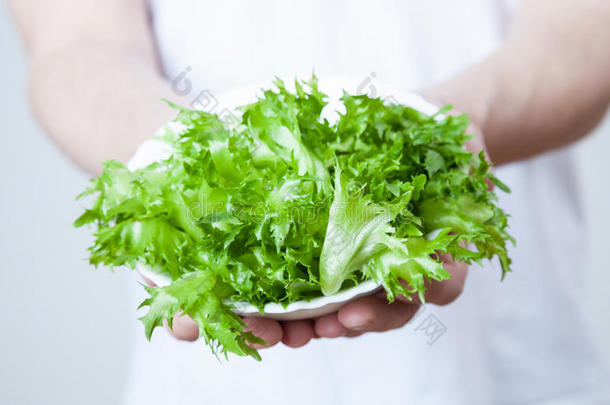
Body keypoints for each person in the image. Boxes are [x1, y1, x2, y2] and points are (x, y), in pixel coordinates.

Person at [9, 0, 610, 404]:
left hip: (512, 359)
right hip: (213, 381)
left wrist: (456, 126)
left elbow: (587, 27)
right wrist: (165, 154)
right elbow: (77, 41)